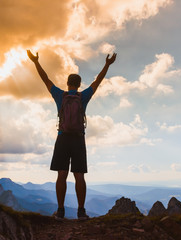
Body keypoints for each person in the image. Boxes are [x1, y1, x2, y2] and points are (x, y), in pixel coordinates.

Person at [27, 49, 117, 220]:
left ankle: (60, 212)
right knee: (79, 176)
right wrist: (107, 64)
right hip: (78, 138)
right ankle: (81, 212)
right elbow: (98, 81)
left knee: (61, 174)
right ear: (79, 84)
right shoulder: (83, 97)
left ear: (67, 83)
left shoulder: (60, 95)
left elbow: (46, 79)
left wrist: (36, 62)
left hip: (62, 138)